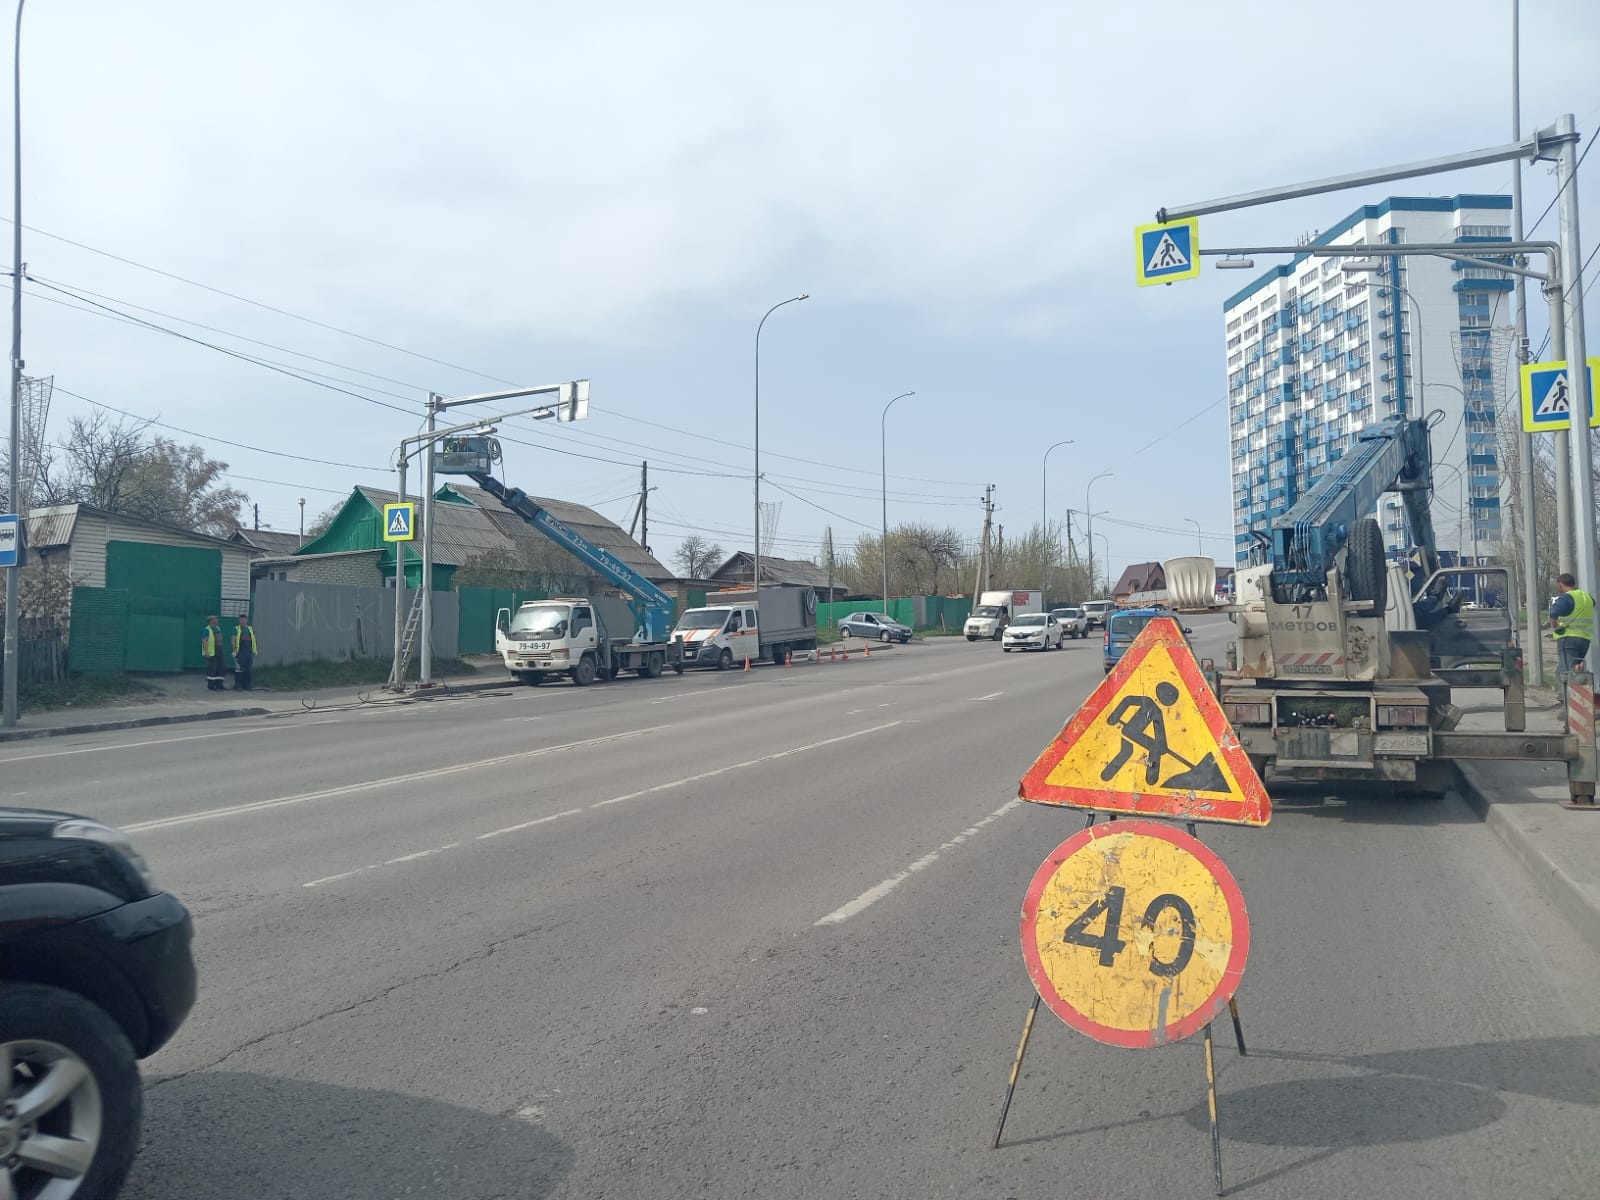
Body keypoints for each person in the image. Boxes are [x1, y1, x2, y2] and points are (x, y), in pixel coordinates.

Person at [1549, 572, 1594, 692]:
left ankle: (1569, 700)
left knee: (1567, 673)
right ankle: (1565, 694)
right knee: (1572, 668)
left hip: (1568, 639)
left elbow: (1553, 613)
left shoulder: (1566, 597)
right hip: (1584, 639)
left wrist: (1555, 626)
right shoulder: (1587, 597)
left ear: (1560, 585)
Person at [232, 614, 259, 691]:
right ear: (239, 620)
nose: (243, 621)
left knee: (248, 669)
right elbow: (233, 640)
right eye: (241, 619)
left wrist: (255, 650)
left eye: (244, 619)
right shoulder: (236, 629)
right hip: (240, 651)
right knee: (240, 669)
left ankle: (247, 685)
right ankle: (238, 685)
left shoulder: (250, 629)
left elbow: (253, 640)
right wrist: (234, 650)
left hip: (249, 651)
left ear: (247, 620)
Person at [201, 616, 226, 691]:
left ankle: (219, 685)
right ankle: (211, 686)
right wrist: (207, 652)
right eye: (215, 619)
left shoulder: (217, 628)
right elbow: (204, 641)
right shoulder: (206, 630)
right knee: (212, 669)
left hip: (219, 651)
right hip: (212, 652)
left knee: (221, 667)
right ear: (211, 621)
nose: (217, 620)